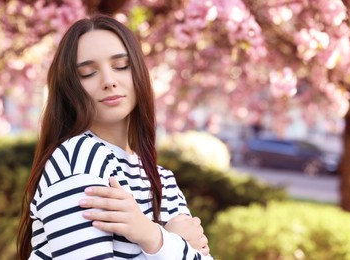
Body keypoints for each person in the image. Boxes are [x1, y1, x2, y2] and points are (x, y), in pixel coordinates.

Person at [17, 14, 212, 259]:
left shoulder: (163, 180)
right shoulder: (79, 158)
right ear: (70, 89)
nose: (109, 81)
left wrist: (153, 236)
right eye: (88, 73)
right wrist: (169, 242)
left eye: (121, 65)